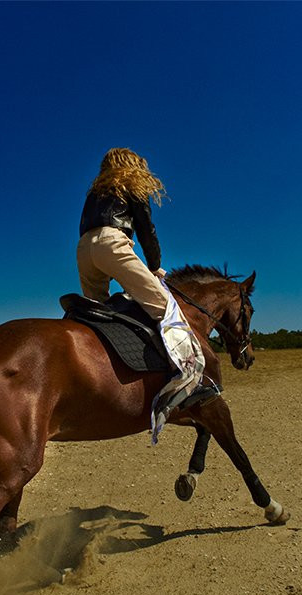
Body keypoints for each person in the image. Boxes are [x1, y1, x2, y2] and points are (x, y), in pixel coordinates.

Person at [77, 147, 207, 442]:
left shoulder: (96, 192)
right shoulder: (131, 184)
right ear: (133, 165)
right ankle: (190, 380)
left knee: (97, 313)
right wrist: (156, 266)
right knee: (165, 308)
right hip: (113, 242)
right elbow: (146, 228)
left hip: (83, 250)